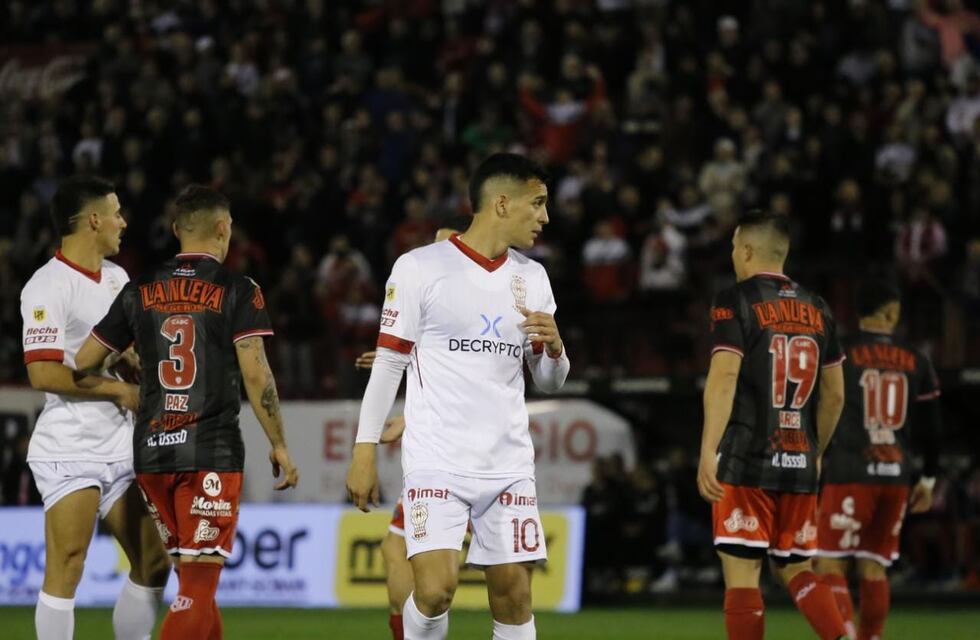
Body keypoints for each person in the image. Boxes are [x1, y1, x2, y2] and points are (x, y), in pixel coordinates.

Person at [347, 153, 569, 640]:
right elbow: (389, 364)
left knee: (515, 599)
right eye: (537, 203)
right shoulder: (419, 267)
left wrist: (555, 349)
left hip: (508, 464)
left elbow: (549, 381)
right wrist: (364, 451)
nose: (545, 217)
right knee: (434, 592)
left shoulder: (533, 278)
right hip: (437, 460)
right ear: (502, 204)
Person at [73, 184, 299, 639]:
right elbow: (256, 374)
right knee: (198, 585)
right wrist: (278, 443)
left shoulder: (140, 288)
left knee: (193, 582)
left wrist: (127, 357)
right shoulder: (238, 289)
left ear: (177, 229)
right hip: (209, 452)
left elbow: (84, 361)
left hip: (152, 453)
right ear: (223, 228)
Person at [20, 175, 170, 640]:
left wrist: (135, 362)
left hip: (121, 442)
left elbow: (115, 349)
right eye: (116, 213)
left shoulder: (117, 278)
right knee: (69, 562)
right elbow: (43, 373)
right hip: (72, 443)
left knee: (155, 562)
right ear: (93, 220)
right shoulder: (46, 286)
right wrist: (118, 392)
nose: (123, 222)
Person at [697, 210, 849, 640]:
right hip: (800, 459)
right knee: (797, 568)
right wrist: (814, 450)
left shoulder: (734, 300)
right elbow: (835, 394)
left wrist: (708, 450)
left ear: (747, 250)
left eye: (733, 246)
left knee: (743, 574)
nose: (732, 254)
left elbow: (724, 376)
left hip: (746, 459)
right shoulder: (819, 306)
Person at [354, 221, 469, 640]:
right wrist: (400, 360)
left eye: (445, 245)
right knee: (396, 549)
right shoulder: (436, 307)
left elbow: (472, 385)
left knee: (436, 583)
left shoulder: (473, 303)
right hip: (436, 446)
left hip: (465, 456)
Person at [815, 278, 941, 640]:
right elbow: (932, 429)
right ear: (892, 312)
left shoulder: (841, 351)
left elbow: (826, 402)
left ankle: (846, 636)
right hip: (896, 475)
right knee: (874, 567)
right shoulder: (917, 360)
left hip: (851, 470)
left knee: (829, 562)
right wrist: (928, 479)